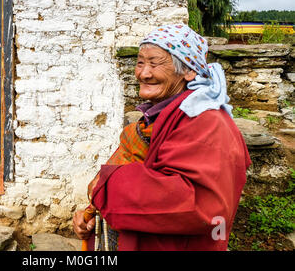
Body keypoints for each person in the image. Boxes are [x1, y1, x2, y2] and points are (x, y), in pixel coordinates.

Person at [73, 24, 251, 251]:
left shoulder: (207, 123)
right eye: (140, 63)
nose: (143, 73)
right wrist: (93, 210)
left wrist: (109, 186)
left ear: (188, 70)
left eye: (154, 63)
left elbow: (201, 204)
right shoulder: (157, 119)